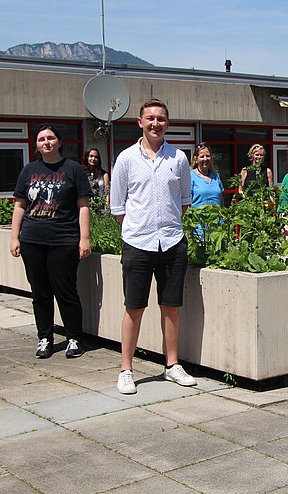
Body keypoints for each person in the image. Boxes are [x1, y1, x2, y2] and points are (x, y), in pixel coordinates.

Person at [110, 99, 196, 395]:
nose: (155, 123)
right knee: (134, 307)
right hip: (137, 242)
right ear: (140, 122)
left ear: (167, 124)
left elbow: (183, 201)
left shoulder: (179, 158)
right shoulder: (125, 159)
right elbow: (118, 206)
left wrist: (167, 226)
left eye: (161, 118)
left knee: (171, 306)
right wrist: (139, 228)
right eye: (150, 118)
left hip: (172, 241)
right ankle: (126, 369)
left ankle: (172, 365)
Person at [10, 124, 91, 359]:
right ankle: (44, 338)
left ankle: (74, 337)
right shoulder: (28, 171)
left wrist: (84, 239)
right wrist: (15, 237)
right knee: (40, 292)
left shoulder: (73, 169)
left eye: (51, 138)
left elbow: (83, 206)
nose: (46, 142)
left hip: (64, 240)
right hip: (32, 240)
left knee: (65, 291)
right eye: (41, 139)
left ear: (59, 142)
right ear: (36, 144)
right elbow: (20, 205)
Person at [190, 143, 224, 208]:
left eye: (208, 156)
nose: (205, 159)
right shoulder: (190, 177)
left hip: (217, 217)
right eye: (202, 156)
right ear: (196, 159)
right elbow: (186, 202)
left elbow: (221, 200)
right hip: (198, 217)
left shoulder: (216, 176)